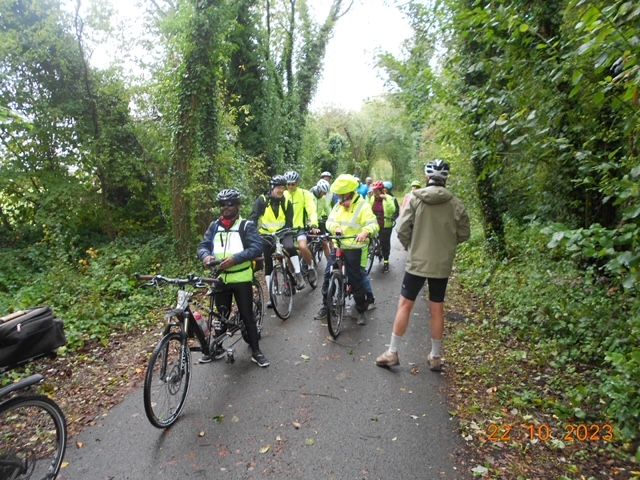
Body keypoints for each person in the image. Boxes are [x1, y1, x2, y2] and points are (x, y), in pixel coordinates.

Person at [375, 160, 470, 371]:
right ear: (445, 178)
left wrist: (412, 246)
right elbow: (464, 234)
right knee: (437, 309)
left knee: (405, 305)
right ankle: (435, 357)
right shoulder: (456, 204)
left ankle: (392, 352)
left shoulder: (415, 200)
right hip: (441, 264)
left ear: (427, 177)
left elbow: (401, 229)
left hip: (417, 262)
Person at [197, 188, 270, 367]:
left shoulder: (246, 226)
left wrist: (235, 259)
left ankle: (256, 351)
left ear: (237, 205)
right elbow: (203, 245)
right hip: (221, 277)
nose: (226, 207)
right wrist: (205, 256)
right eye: (222, 204)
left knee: (246, 315)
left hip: (241, 277)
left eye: (230, 204)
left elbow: (256, 248)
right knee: (220, 315)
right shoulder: (214, 226)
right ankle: (217, 347)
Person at [315, 174, 379, 325]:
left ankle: (361, 310)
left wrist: (366, 232)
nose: (338, 198)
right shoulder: (338, 206)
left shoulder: (363, 206)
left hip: (354, 247)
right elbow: (330, 222)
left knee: (355, 279)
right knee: (327, 275)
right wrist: (335, 228)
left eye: (340, 195)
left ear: (348, 193)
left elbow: (373, 224)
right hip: (338, 245)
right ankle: (326, 306)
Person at [249, 175, 302, 299]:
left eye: (283, 187)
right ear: (272, 187)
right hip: (266, 235)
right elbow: (253, 218)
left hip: (283, 233)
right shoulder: (262, 200)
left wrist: (286, 232)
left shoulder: (286, 202)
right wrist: (253, 234)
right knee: (268, 263)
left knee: (290, 247)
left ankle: (298, 274)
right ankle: (271, 294)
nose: (281, 190)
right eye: (278, 187)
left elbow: (289, 222)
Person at [283, 170, 319, 288]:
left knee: (303, 247)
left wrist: (313, 225)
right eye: (288, 184)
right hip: (286, 229)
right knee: (287, 252)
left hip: (300, 228)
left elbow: (311, 210)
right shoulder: (282, 195)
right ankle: (294, 275)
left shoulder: (304, 194)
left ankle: (310, 267)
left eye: (293, 184)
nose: (290, 186)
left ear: (297, 183)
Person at [368, 181, 399, 273]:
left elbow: (392, 210)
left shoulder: (389, 198)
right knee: (368, 239)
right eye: (374, 191)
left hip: (386, 224)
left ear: (381, 191)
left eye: (376, 191)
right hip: (375, 223)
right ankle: (374, 249)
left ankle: (386, 261)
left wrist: (386, 199)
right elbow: (369, 209)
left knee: (385, 243)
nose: (375, 193)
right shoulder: (372, 198)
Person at [310, 179, 333, 259]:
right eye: (323, 192)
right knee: (306, 243)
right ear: (318, 189)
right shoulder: (309, 196)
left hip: (319, 222)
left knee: (324, 242)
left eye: (326, 193)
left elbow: (327, 209)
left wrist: (332, 219)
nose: (324, 194)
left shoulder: (323, 198)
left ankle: (330, 263)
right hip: (309, 222)